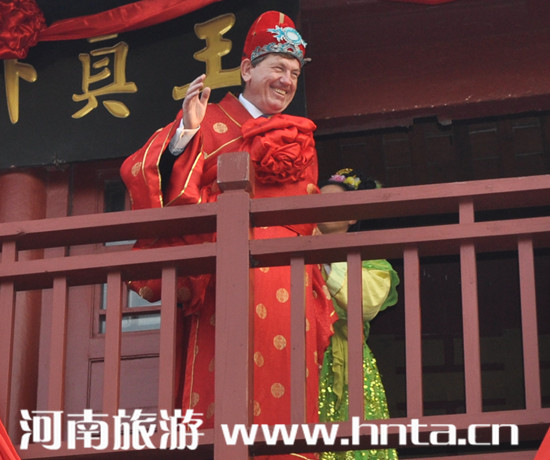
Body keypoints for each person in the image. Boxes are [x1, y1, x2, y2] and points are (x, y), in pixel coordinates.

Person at [120, 11, 336, 459]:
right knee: (225, 389)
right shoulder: (210, 120)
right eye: (277, 67)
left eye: (294, 73)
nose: (286, 81)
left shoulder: (299, 136)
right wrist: (186, 133)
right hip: (226, 281)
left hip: (291, 280)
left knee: (288, 393)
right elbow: (147, 172)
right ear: (246, 69)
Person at [316, 169, 399, 460]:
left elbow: (366, 303)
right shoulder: (285, 251)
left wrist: (319, 254)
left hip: (345, 357)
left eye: (332, 203)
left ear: (352, 217)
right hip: (298, 353)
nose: (321, 209)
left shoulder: (371, 261)